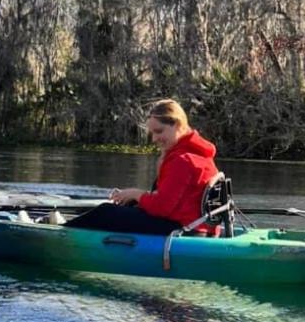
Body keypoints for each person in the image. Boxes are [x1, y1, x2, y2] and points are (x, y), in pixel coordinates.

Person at [67, 99, 219, 235]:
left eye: (159, 131)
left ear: (177, 125)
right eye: (152, 133)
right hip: (196, 227)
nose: (154, 139)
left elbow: (162, 207)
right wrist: (134, 197)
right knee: (130, 204)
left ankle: (62, 230)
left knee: (106, 212)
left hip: (184, 230)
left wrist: (137, 194)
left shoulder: (183, 160)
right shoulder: (200, 155)